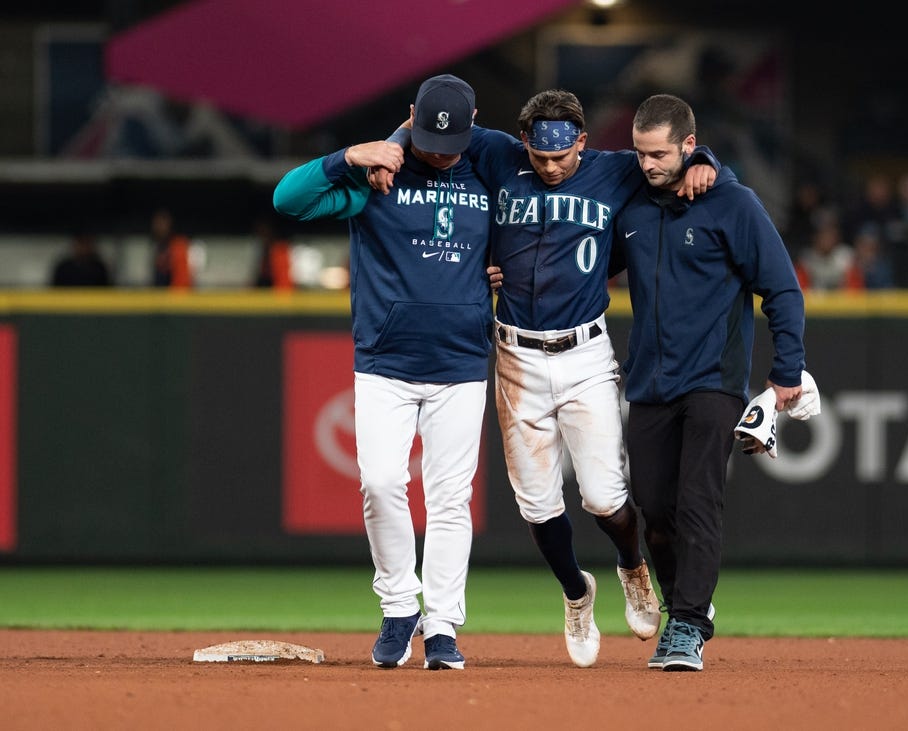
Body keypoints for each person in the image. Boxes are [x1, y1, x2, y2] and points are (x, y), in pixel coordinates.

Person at [376, 89, 718, 668]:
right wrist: (389, 145)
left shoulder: (615, 170)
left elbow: (673, 157)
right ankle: (576, 593)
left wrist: (707, 157)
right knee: (537, 506)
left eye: (562, 156)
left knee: (605, 498)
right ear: (525, 141)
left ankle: (632, 566)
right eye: (541, 156)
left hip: (585, 353)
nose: (552, 166)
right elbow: (427, 124)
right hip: (517, 356)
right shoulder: (498, 153)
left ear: (583, 142)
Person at [273, 74, 493, 671]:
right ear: (411, 116)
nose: (438, 150)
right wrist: (347, 155)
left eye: (451, 141)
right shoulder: (377, 174)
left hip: (462, 362)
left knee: (450, 501)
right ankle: (400, 605)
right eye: (426, 136)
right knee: (379, 483)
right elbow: (287, 201)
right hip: (386, 362)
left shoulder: (490, 165)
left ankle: (443, 626)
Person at [616, 94, 806, 671]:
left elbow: (782, 289)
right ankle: (685, 605)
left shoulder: (732, 203)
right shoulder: (631, 203)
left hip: (712, 381)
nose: (647, 164)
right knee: (653, 505)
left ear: (688, 147)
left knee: (699, 500)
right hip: (648, 382)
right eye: (640, 152)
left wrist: (787, 372)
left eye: (658, 154)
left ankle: (689, 626)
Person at [149, 207, 192, 289]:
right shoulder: (156, 246)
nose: (159, 227)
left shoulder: (179, 245)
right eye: (157, 223)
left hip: (175, 298)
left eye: (162, 223)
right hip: (157, 296)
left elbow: (182, 282)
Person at [252, 216, 293, 289]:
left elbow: (283, 279)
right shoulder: (265, 248)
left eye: (263, 230)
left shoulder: (280, 248)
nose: (260, 233)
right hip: (269, 290)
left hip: (282, 293)